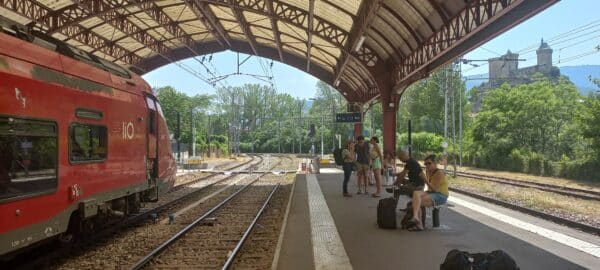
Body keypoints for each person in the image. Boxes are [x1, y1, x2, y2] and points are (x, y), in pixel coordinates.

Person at [406, 155, 449, 231]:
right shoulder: (428, 171)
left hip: (441, 195)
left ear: (435, 163)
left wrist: (425, 179)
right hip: (431, 192)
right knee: (416, 193)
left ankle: (419, 225)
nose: (427, 165)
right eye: (425, 164)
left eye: (429, 163)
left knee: (417, 202)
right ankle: (416, 217)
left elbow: (435, 189)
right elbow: (430, 189)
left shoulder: (439, 173)